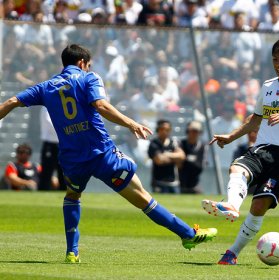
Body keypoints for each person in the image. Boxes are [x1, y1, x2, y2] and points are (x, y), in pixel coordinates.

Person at [0, 44, 217, 263]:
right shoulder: (88, 78)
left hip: (72, 159)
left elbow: (11, 101)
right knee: (142, 196)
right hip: (102, 155)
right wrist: (131, 123)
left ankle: (72, 252)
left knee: (73, 196)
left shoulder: (46, 87)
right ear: (82, 63)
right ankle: (188, 234)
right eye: (88, 65)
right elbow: (101, 106)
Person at [201, 37, 279, 265]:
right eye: (275, 59)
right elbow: (256, 118)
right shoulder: (267, 86)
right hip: (263, 147)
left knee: (258, 206)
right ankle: (231, 206)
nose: (278, 64)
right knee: (237, 167)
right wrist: (230, 136)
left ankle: (232, 253)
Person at [148, 119, 185, 193]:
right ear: (158, 130)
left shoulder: (174, 142)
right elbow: (159, 160)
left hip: (174, 183)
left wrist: (167, 154)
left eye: (167, 129)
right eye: (162, 129)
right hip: (159, 182)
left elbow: (182, 156)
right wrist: (174, 158)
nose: (164, 132)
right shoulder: (154, 143)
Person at [38, 107, 66, 191]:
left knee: (63, 172)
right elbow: (48, 122)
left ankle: (64, 193)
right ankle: (43, 193)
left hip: (61, 144)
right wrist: (65, 129)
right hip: (50, 143)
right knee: (47, 172)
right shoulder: (46, 106)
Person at [179, 121, 206, 194]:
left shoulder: (202, 146)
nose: (194, 134)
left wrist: (186, 160)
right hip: (180, 183)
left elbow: (199, 167)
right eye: (192, 131)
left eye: (196, 131)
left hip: (195, 184)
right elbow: (179, 165)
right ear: (188, 131)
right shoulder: (181, 144)